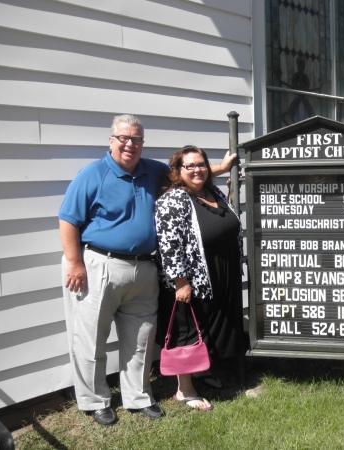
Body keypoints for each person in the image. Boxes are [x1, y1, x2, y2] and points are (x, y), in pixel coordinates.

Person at [59, 115, 234, 426]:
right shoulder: (92, 174)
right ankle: (95, 401)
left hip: (144, 267)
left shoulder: (151, 169)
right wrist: (74, 262)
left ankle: (138, 397)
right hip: (100, 264)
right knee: (90, 339)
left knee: (140, 339)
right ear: (111, 140)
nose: (130, 144)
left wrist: (221, 167)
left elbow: (189, 174)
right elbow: (69, 219)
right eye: (124, 138)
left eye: (137, 139)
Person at [155, 145, 244, 411]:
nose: (197, 170)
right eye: (189, 166)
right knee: (191, 329)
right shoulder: (173, 200)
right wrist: (180, 282)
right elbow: (168, 245)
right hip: (193, 277)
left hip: (221, 270)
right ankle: (185, 389)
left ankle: (201, 369)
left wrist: (230, 187)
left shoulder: (213, 192)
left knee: (211, 324)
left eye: (201, 164)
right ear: (177, 171)